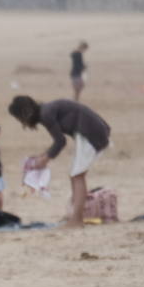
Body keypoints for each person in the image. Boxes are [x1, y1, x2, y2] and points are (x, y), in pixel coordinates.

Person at [9, 95, 111, 228]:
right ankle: (74, 215)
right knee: (75, 175)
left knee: (77, 176)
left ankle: (77, 220)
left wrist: (45, 159)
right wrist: (43, 156)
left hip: (91, 133)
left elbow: (60, 142)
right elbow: (59, 141)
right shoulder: (46, 111)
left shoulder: (46, 114)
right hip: (92, 131)